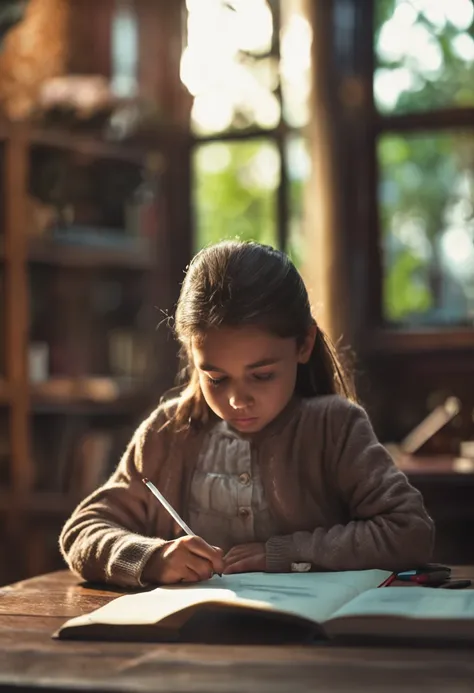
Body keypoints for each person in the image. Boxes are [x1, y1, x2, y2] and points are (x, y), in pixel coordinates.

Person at [60, 241, 434, 587]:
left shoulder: (332, 427)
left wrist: (286, 554)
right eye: (217, 378)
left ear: (303, 344)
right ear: (192, 355)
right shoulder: (167, 433)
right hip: (185, 642)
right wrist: (151, 558)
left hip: (310, 640)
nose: (238, 400)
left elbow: (408, 531)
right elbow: (82, 531)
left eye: (262, 375)